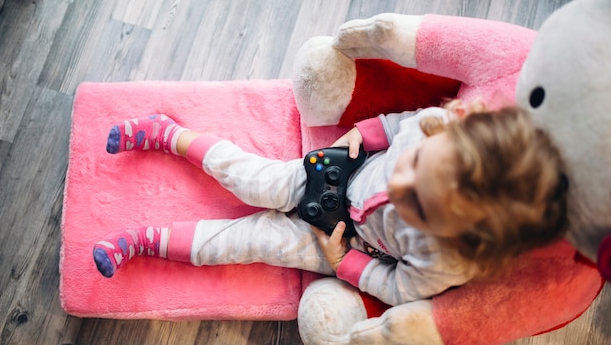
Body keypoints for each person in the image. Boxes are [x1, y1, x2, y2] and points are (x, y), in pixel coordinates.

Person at [92, 102, 568, 306]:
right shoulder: (439, 124)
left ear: (469, 240)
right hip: (335, 173)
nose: (402, 187)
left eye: (420, 209)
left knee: (246, 241)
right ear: (451, 129)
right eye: (416, 163)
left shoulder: (449, 260)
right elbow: (401, 122)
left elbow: (400, 288)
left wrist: (346, 264)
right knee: (249, 178)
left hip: (336, 241)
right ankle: (168, 132)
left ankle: (145, 241)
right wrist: (367, 132)